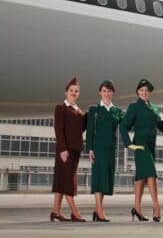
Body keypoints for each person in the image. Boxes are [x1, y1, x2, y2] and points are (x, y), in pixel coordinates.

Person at [119, 79, 163, 222]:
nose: (144, 93)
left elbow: (161, 126)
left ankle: (136, 208)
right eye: (141, 90)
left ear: (149, 93)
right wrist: (129, 144)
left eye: (146, 90)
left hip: (150, 145)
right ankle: (156, 206)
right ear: (137, 91)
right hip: (140, 145)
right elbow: (123, 126)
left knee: (141, 177)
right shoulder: (134, 107)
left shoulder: (153, 108)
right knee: (151, 174)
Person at [86, 80, 124, 222]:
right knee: (98, 177)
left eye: (109, 91)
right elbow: (89, 131)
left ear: (112, 92)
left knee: (106, 178)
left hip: (110, 148)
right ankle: (100, 212)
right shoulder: (94, 110)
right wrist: (89, 148)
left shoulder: (117, 111)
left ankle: (97, 210)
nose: (106, 93)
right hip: (98, 147)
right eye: (104, 90)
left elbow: (126, 125)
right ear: (100, 92)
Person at [51, 77, 87, 222]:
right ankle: (75, 212)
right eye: (71, 90)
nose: (73, 92)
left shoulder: (79, 111)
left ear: (79, 94)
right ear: (66, 92)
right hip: (66, 151)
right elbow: (58, 130)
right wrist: (63, 149)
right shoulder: (61, 108)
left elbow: (81, 129)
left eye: (76, 91)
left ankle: (55, 211)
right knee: (68, 182)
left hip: (76, 150)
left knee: (62, 180)